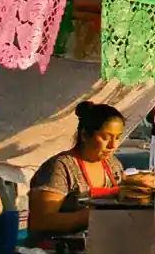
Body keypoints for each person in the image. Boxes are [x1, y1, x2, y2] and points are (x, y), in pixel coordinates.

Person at [29, 102, 125, 242]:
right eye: (105, 137)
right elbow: (40, 222)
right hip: (54, 253)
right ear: (85, 135)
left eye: (117, 137)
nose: (113, 145)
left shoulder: (114, 165)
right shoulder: (61, 167)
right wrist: (92, 216)